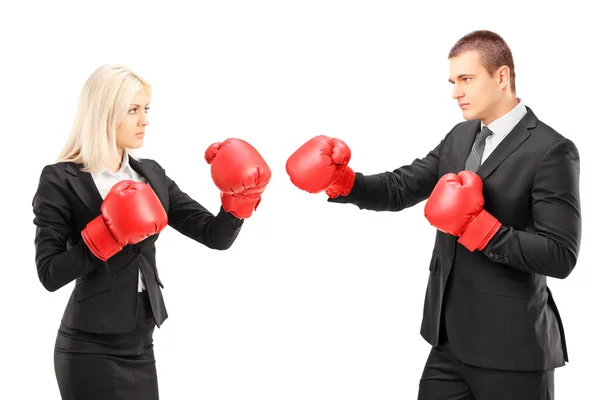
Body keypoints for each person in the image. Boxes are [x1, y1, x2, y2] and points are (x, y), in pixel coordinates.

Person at [285, 30, 581, 400]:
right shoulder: (460, 137)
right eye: (453, 81)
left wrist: (478, 228)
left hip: (512, 349)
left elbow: (560, 255)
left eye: (466, 79)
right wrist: (343, 181)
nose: (455, 92)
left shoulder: (551, 149)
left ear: (501, 77)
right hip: (448, 344)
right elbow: (400, 187)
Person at [32, 64, 272, 400]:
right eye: (133, 110)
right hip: (88, 348)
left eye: (146, 109)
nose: (145, 120)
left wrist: (239, 200)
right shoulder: (60, 179)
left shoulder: (152, 175)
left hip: (141, 344)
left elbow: (214, 236)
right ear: (103, 113)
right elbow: (49, 273)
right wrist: (106, 235)